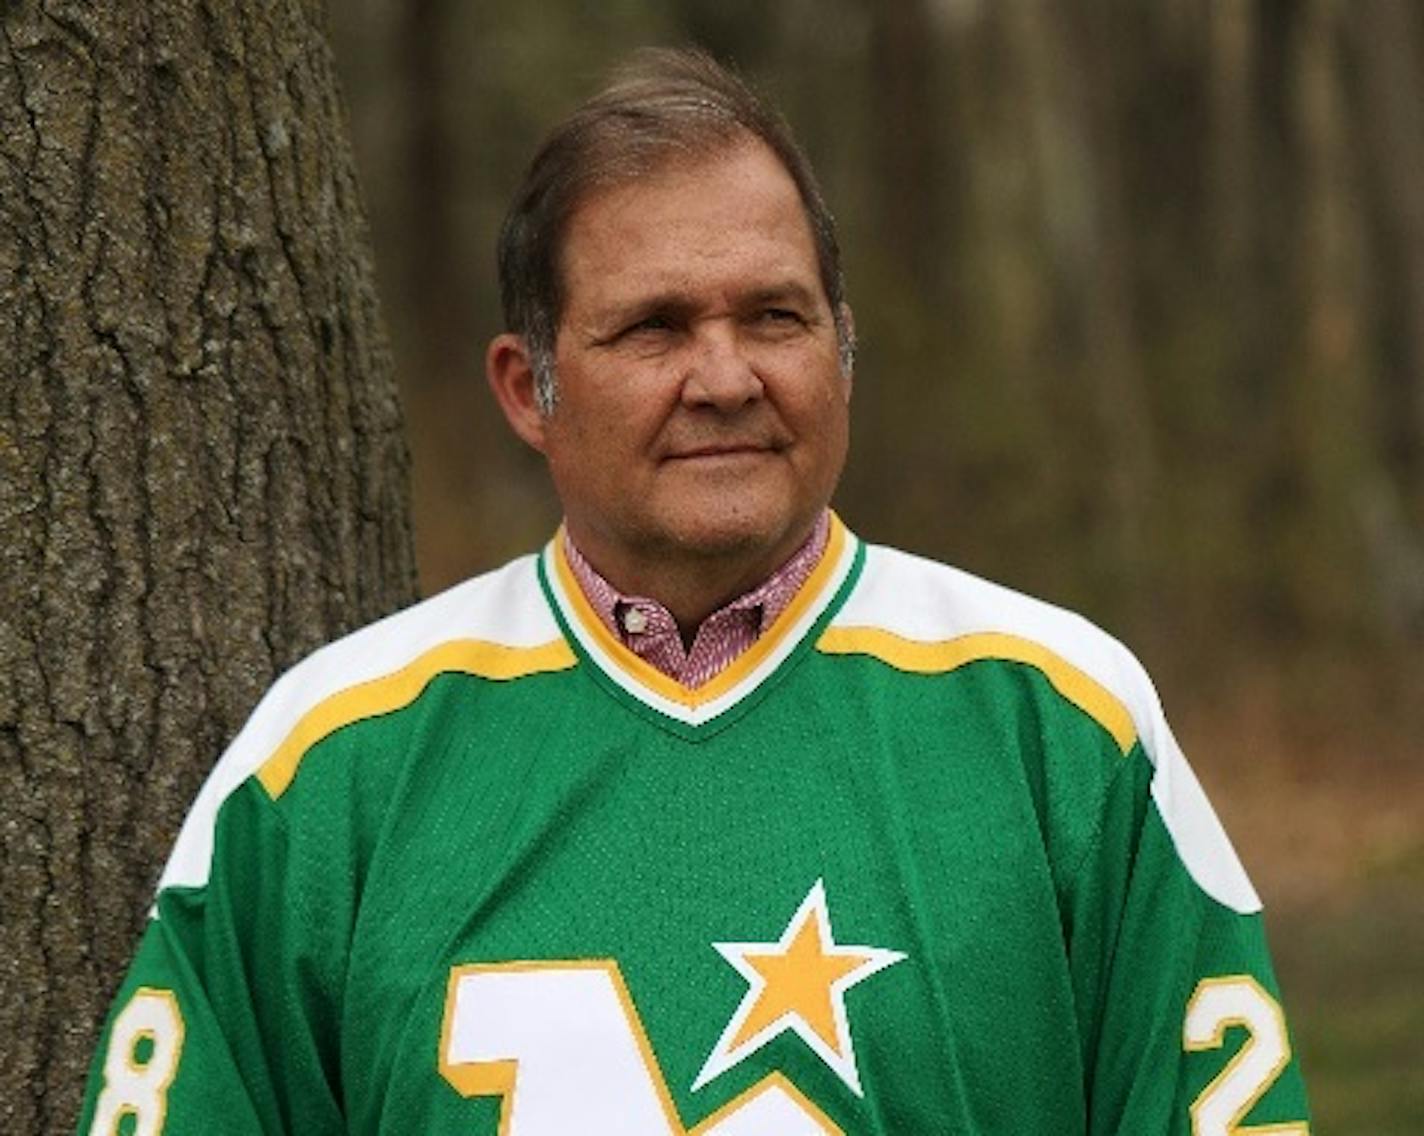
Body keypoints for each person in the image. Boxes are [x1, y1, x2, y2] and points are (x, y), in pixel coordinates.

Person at [78, 48, 1311, 1135]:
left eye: (773, 315)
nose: (723, 376)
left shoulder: (1061, 722)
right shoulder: (332, 760)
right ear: (528, 388)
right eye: (653, 328)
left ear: (840, 350)